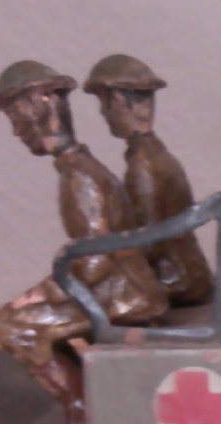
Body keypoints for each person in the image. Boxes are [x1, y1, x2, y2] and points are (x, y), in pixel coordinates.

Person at [0, 60, 167, 424]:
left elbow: (94, 260)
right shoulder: (81, 168)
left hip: (122, 295)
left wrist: (44, 292)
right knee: (24, 316)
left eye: (17, 119)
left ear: (42, 108)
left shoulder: (80, 176)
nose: (17, 132)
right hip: (124, 285)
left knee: (14, 325)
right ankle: (90, 400)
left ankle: (83, 414)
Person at [84, 54, 213, 306]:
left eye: (104, 103)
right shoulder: (159, 156)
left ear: (120, 101)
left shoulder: (142, 167)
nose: (102, 113)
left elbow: (149, 244)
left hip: (174, 280)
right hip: (193, 274)